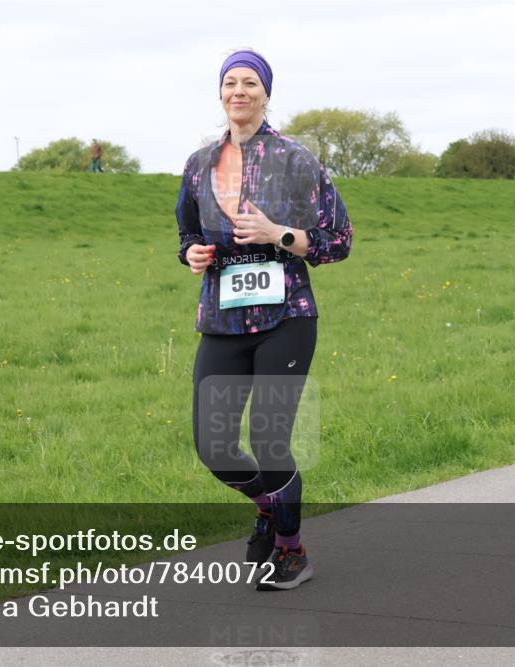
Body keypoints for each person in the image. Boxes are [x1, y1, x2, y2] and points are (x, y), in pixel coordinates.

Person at [175, 49, 353, 591]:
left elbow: (338, 240)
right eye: (230, 82)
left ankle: (292, 551)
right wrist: (193, 256)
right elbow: (186, 233)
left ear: (266, 94)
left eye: (250, 82)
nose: (239, 91)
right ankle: (271, 507)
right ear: (220, 95)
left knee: (271, 438)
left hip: (286, 316)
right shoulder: (199, 164)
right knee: (213, 444)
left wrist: (281, 234)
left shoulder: (297, 160)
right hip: (223, 318)